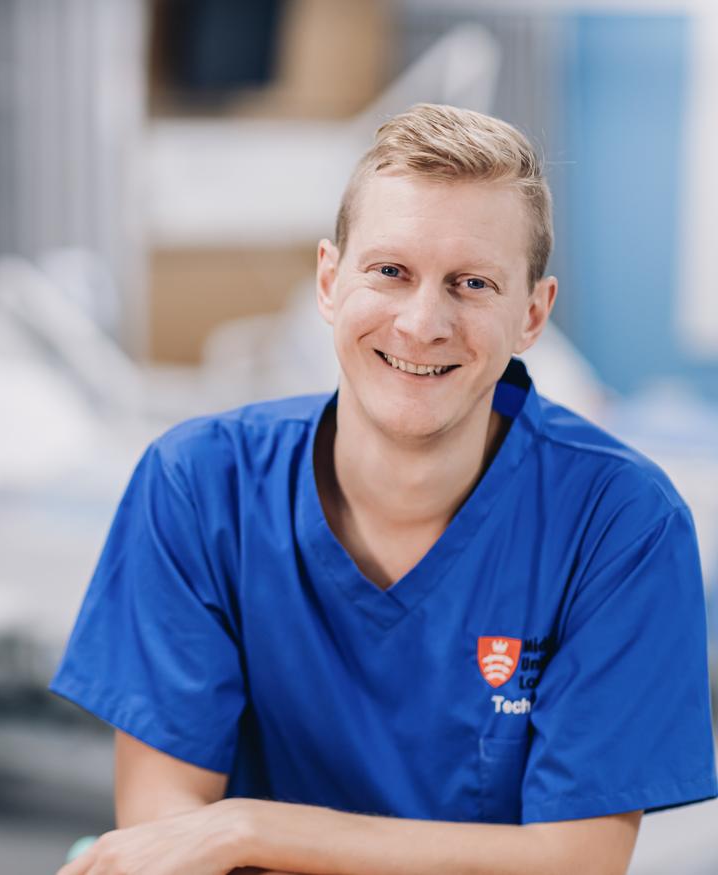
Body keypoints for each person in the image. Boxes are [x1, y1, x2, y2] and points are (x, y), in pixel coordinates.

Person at [50, 103, 717, 875]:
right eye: (390, 272)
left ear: (532, 313)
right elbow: (166, 829)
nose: (422, 322)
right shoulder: (198, 487)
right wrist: (223, 834)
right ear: (330, 282)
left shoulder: (621, 525)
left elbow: (573, 860)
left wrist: (249, 828)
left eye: (470, 283)